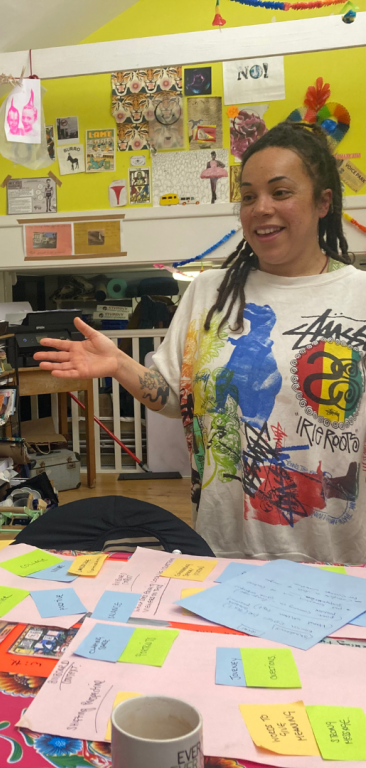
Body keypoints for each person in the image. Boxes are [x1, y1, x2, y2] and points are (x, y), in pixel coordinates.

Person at [35, 122, 366, 565]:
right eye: (248, 196)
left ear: (323, 201)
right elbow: (176, 399)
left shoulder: (358, 295)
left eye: (281, 192)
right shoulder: (210, 292)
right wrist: (119, 365)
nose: (261, 208)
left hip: (338, 557)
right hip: (224, 548)